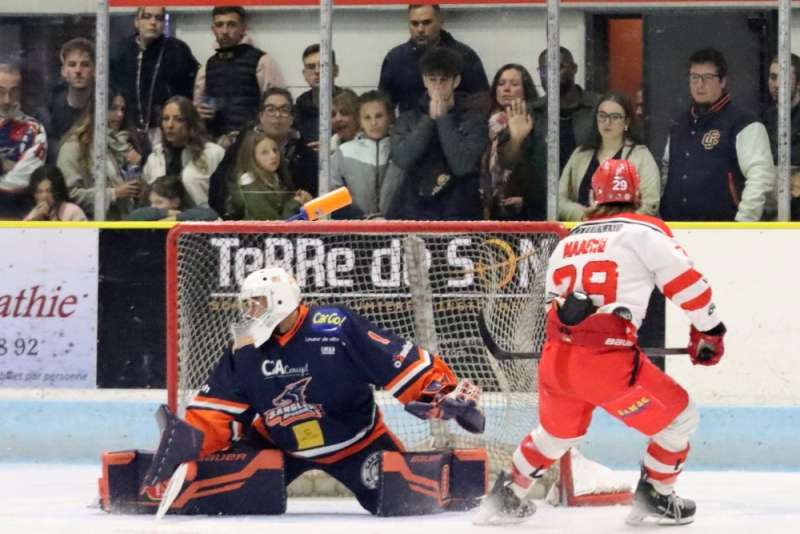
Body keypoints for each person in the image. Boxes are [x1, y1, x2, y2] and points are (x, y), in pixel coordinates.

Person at [474, 159, 726, 527]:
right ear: (637, 194)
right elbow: (690, 285)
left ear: (594, 194)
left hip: (556, 359)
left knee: (557, 435)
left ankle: (506, 496)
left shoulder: (570, 240)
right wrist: (709, 331)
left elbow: (554, 305)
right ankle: (657, 495)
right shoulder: (645, 230)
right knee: (679, 419)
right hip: (607, 360)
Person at [143, 265, 485, 516]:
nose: (249, 313)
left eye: (256, 303)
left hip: (358, 444)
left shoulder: (335, 327)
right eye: (246, 305)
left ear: (280, 301)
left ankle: (459, 473)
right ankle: (143, 485)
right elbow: (217, 411)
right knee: (217, 503)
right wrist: (189, 441)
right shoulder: (244, 348)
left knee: (407, 504)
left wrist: (442, 392)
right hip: (277, 446)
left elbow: (398, 360)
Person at [661, 48, 776, 222]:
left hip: (724, 229)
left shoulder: (744, 122)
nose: (699, 84)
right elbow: (666, 171)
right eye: (694, 77)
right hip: (675, 229)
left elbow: (761, 176)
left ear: (722, 81)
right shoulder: (680, 124)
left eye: (708, 78)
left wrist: (743, 223)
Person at [495, 48, 601, 221]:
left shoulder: (598, 106)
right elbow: (507, 161)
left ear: (574, 68)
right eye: (544, 70)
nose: (550, 76)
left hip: (590, 209)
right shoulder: (531, 111)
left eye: (557, 68)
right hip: (542, 211)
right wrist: (516, 139)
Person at [390, 47, 488, 220]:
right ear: (424, 80)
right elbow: (402, 159)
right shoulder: (408, 119)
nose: (438, 86)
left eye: (443, 80)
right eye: (432, 79)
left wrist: (443, 120)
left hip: (460, 215)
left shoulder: (474, 121)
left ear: (455, 81)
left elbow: (462, 164)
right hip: (413, 212)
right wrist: (429, 119)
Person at [208, 88, 319, 218]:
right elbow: (218, 187)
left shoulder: (306, 155)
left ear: (292, 118)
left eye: (284, 110)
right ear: (261, 115)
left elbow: (312, 199)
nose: (277, 116)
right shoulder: (240, 148)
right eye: (270, 109)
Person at [558, 90, 660, 221]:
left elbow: (651, 203)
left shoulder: (641, 156)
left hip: (623, 235)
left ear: (627, 122)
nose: (607, 122)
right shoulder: (580, 154)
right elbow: (558, 200)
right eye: (602, 116)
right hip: (584, 233)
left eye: (615, 117)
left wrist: (616, 221)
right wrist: (582, 214)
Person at [110, 7, 200, 146]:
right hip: (128, 130)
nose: (153, 22)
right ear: (136, 21)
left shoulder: (177, 50)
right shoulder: (122, 51)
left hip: (168, 130)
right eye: (147, 17)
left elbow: (192, 88)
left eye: (159, 18)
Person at [194, 6, 286, 141]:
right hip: (215, 142)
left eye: (231, 25)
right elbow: (197, 109)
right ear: (213, 30)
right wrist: (198, 114)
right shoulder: (208, 66)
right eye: (219, 25)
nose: (225, 31)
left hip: (252, 143)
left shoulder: (262, 61)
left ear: (243, 28)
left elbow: (280, 105)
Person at [379, 4, 489, 114]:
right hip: (410, 129)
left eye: (427, 22)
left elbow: (482, 101)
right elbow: (383, 106)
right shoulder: (396, 59)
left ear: (441, 22)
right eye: (414, 23)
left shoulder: (465, 56)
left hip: (456, 128)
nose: (420, 29)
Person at [57, 88, 142, 221]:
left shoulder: (119, 145)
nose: (120, 115)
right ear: (98, 110)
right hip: (88, 227)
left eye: (122, 109)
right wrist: (113, 194)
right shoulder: (73, 147)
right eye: (113, 108)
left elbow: (129, 194)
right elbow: (70, 194)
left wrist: (133, 169)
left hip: (120, 223)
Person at [331, 90, 403, 219]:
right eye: (367, 117)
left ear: (389, 116)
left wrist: (391, 221)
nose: (373, 123)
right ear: (359, 119)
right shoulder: (344, 152)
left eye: (379, 116)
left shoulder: (404, 149)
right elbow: (332, 199)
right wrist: (363, 219)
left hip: (398, 231)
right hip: (354, 234)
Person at [142, 96, 225, 207]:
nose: (170, 125)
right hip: (163, 222)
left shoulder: (213, 153)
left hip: (203, 221)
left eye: (178, 119)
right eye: (165, 118)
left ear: (190, 122)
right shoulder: (154, 159)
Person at [485, 64, 539, 220]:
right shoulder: (484, 119)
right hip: (490, 205)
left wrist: (527, 199)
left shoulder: (536, 120)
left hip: (524, 205)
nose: (506, 89)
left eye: (514, 84)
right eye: (501, 84)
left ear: (526, 90)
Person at [228, 130, 312, 220]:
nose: (273, 156)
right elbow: (273, 226)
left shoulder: (277, 180)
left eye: (275, 150)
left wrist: (301, 202)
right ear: (252, 158)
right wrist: (294, 204)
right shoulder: (250, 187)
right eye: (265, 152)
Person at [0, 64, 47, 220]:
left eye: (12, 92)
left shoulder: (34, 129)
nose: (7, 100)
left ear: (19, 92)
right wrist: (3, 165)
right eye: (1, 91)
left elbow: (23, 179)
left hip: (18, 217)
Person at [761, 54, 800, 220]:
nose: (776, 85)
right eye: (772, 77)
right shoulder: (759, 118)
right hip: (768, 211)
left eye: (784, 78)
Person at [45, 38, 95, 159]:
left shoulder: (106, 108)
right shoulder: (50, 114)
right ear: (64, 71)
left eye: (85, 64)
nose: (78, 71)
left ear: (95, 70)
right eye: (72, 65)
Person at [294, 44, 341, 144]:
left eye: (323, 65)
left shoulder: (351, 104)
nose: (317, 71)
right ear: (304, 74)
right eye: (311, 67)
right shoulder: (299, 107)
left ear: (335, 70)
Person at [128, 174, 219, 221]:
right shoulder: (148, 216)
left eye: (159, 202)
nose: (153, 207)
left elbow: (211, 214)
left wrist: (174, 218)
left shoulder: (188, 215)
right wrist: (168, 213)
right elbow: (134, 216)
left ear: (176, 202)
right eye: (152, 202)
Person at [22, 165, 87, 222]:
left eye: (49, 191)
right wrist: (35, 218)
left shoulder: (73, 211)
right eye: (39, 191)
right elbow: (20, 233)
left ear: (58, 190)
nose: (44, 196)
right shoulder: (33, 214)